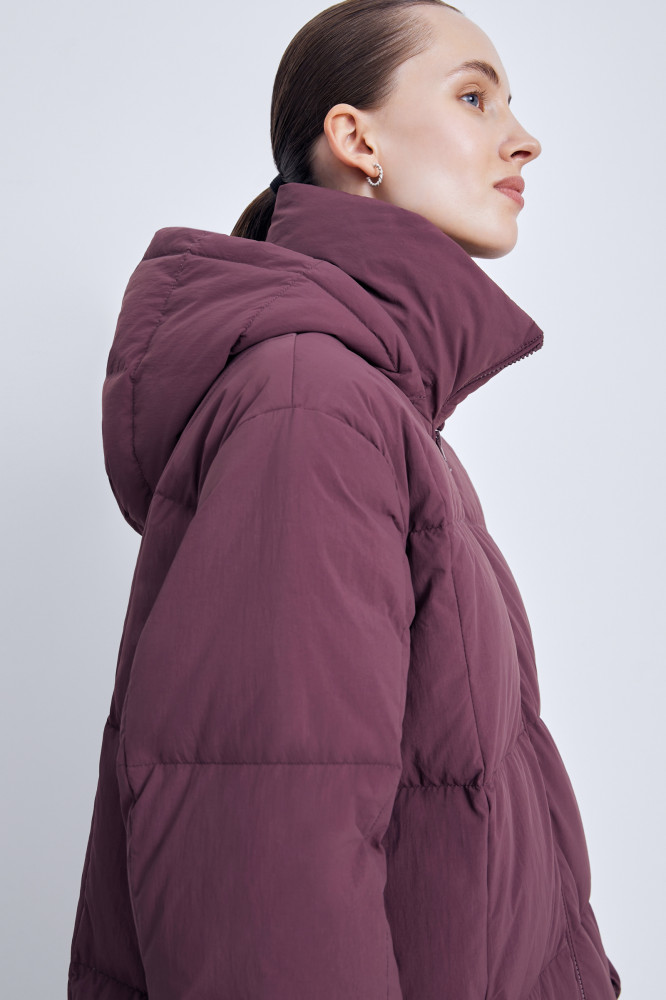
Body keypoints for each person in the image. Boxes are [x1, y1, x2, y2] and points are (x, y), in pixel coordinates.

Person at [67, 2, 622, 998]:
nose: (523, 139)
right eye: (474, 97)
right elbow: (263, 862)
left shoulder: (378, 407)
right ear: (357, 140)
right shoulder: (312, 404)